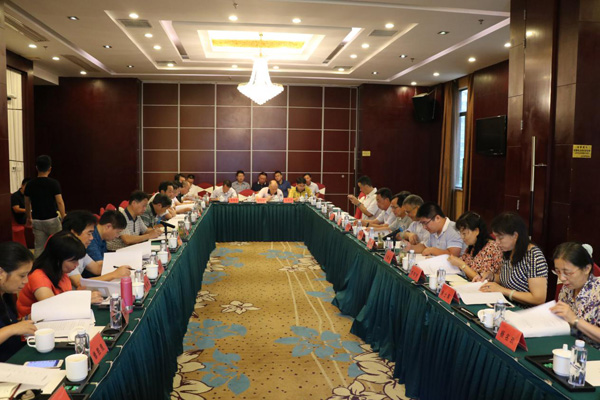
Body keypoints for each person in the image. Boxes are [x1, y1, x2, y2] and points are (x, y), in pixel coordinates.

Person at [17, 231, 102, 317]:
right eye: (73, 261)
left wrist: (79, 295)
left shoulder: (61, 272)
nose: (77, 265)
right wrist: (83, 300)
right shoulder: (38, 276)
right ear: (57, 259)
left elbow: (64, 299)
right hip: (32, 322)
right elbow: (52, 308)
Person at [476, 212, 548, 307]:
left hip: (525, 310)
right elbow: (508, 280)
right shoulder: (508, 250)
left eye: (500, 238)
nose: (497, 242)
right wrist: (491, 276)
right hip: (506, 304)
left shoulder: (534, 256)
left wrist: (502, 290)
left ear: (515, 236)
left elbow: (539, 299)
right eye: (495, 237)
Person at [62, 211, 131, 287]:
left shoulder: (79, 249)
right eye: (89, 233)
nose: (91, 238)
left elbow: (97, 269)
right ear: (74, 233)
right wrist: (114, 275)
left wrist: (121, 267)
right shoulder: (65, 252)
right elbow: (79, 283)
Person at [550, 243, 600, 347]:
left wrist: (575, 320)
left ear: (586, 269)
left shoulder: (597, 291)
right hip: (569, 345)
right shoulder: (567, 288)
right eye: (558, 272)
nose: (562, 278)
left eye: (567, 273)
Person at [0, 242, 37, 361]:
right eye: (22, 275)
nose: (26, 281)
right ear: (1, 273)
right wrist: (14, 328)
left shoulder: (5, 294)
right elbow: (10, 328)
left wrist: (26, 320)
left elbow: (6, 323)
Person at [24, 155, 66, 258]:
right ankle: (57, 265)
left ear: (36, 168)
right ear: (50, 169)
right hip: (52, 219)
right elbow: (59, 202)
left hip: (37, 220)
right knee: (58, 245)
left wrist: (29, 217)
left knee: (39, 247)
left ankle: (38, 267)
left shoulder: (29, 184)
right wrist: (63, 216)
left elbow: (27, 203)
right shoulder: (54, 183)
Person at [447, 211, 503, 281]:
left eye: (464, 234)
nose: (462, 237)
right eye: (460, 233)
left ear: (476, 231)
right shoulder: (472, 246)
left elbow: (482, 279)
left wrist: (461, 265)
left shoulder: (491, 248)